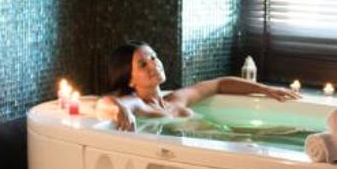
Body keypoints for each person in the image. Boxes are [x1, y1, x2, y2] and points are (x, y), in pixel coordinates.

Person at [97, 41, 296, 130]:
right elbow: (103, 103)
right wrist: (120, 109)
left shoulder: (175, 99)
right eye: (142, 64)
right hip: (206, 151)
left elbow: (219, 84)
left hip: (222, 137)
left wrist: (266, 89)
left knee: (284, 130)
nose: (153, 64)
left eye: (154, 57)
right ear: (129, 79)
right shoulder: (140, 105)